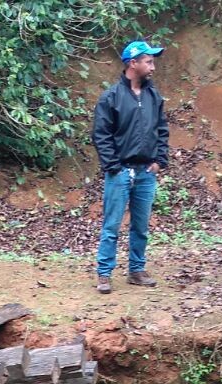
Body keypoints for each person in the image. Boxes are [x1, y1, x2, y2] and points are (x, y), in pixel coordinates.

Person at [91, 39, 170, 294]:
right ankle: (104, 273)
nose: (153, 67)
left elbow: (162, 129)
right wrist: (113, 166)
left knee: (141, 225)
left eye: (152, 61)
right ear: (132, 63)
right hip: (120, 171)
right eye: (148, 61)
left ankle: (137, 269)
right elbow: (101, 134)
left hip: (146, 171)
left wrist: (160, 160)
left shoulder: (153, 96)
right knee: (112, 225)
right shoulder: (111, 97)